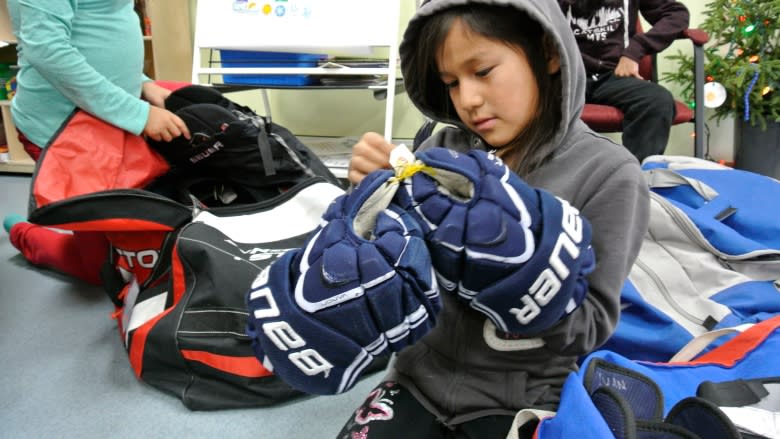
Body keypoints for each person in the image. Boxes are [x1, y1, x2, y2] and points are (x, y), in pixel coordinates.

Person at [338, 0, 649, 437]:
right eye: (450, 82)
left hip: (522, 397)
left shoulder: (609, 174)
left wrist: (517, 268)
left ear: (549, 52)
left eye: (482, 72)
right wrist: (368, 202)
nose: (468, 99)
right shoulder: (443, 151)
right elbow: (385, 272)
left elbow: (591, 325)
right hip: (416, 376)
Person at [2, 0, 189, 285]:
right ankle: (25, 233)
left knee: (134, 235)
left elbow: (100, 24)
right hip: (62, 131)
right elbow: (46, 49)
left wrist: (141, 82)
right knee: (101, 269)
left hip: (106, 120)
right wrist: (136, 112)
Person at [557, 0, 690, 163]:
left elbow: (676, 14)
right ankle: (537, 180)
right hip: (567, 75)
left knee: (657, 100)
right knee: (534, 100)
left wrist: (635, 51)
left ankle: (635, 179)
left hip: (614, 75)